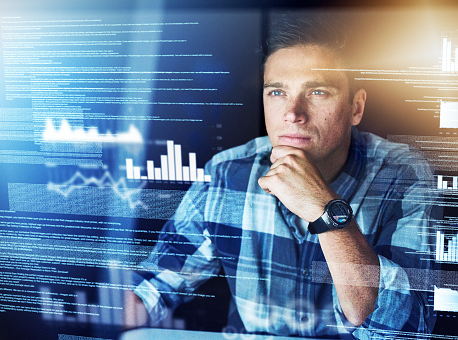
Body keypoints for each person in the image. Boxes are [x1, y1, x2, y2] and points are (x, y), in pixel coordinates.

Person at [128, 15, 437, 339]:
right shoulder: (226, 173)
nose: (293, 113)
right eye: (277, 93)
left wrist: (325, 208)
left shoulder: (403, 175)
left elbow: (407, 332)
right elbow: (154, 286)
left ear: (356, 107)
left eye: (317, 91)